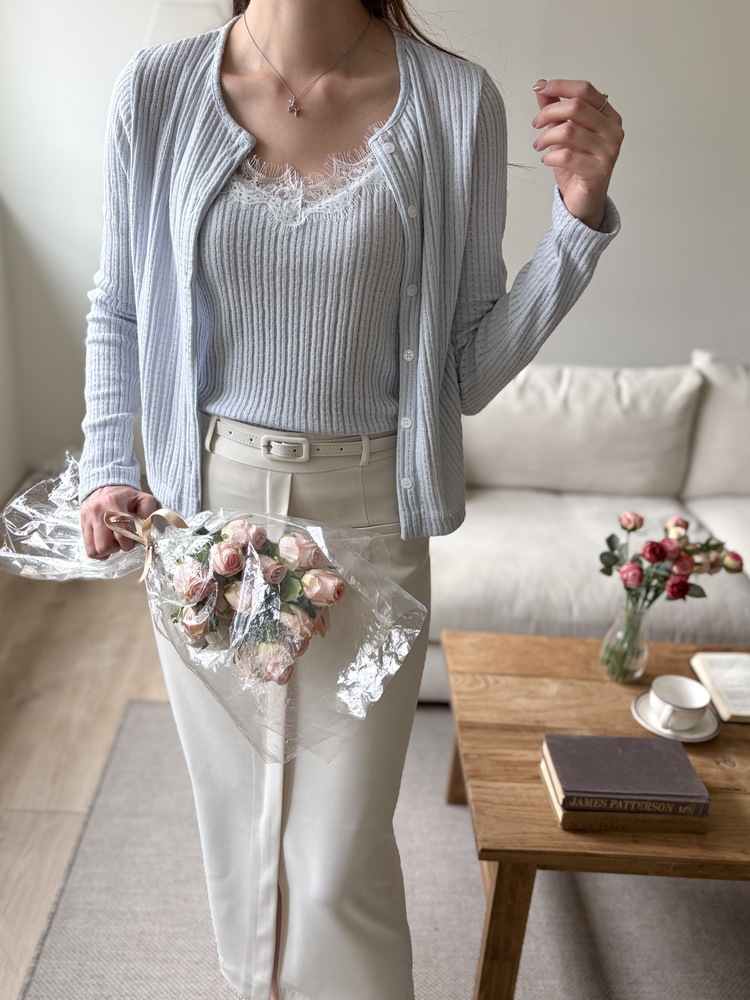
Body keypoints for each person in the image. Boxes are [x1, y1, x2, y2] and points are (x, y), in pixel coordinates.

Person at [78, 1, 622, 997]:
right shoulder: (156, 92)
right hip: (207, 524)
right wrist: (111, 462)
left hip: (370, 526)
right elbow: (121, 300)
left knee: (336, 860)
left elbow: (462, 368)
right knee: (243, 840)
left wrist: (575, 229)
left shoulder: (456, 104)